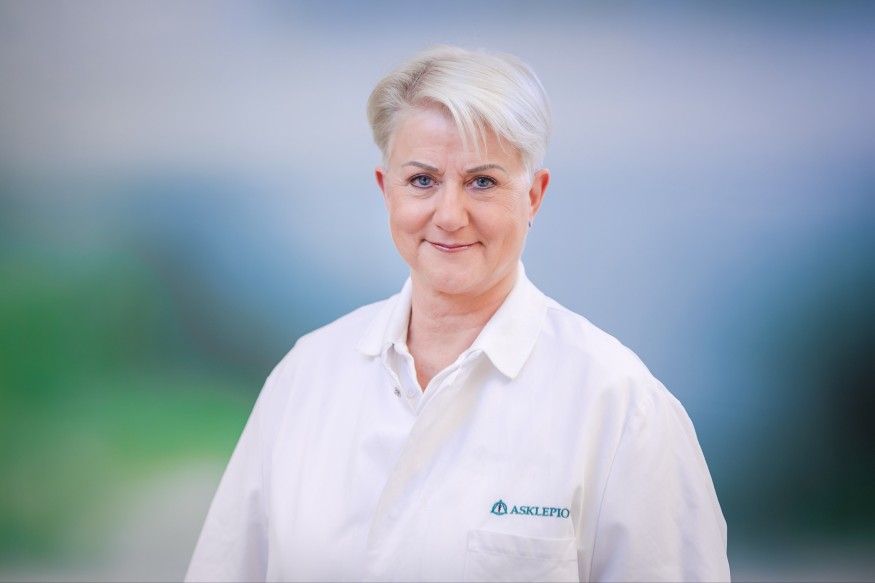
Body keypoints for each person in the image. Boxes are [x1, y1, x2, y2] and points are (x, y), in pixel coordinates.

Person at [185, 45, 730, 582]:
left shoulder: (619, 405)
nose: (449, 215)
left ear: (534, 196)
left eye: (482, 182)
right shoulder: (305, 378)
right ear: (386, 190)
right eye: (422, 180)